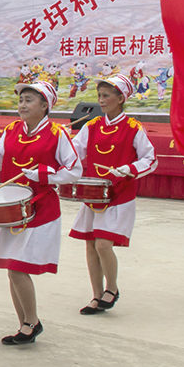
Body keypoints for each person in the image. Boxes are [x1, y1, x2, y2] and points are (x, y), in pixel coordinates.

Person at [0, 80, 81, 345]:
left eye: (29, 100)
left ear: (45, 106)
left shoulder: (57, 134)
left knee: (19, 268)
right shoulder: (11, 130)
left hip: (40, 209)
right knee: (12, 268)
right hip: (10, 209)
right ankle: (25, 323)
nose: (22, 105)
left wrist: (44, 174)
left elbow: (75, 170)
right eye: (21, 100)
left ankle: (31, 323)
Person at [69, 74, 156, 314]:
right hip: (93, 193)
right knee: (90, 245)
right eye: (100, 96)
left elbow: (150, 159)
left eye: (107, 96)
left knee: (104, 244)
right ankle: (96, 295)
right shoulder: (92, 125)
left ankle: (112, 288)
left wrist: (129, 169)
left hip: (119, 196)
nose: (102, 100)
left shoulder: (133, 127)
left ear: (121, 98)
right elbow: (75, 152)